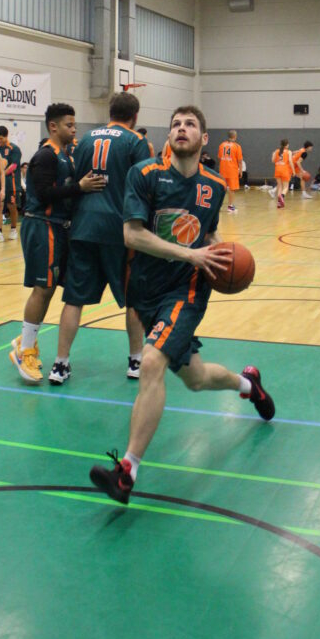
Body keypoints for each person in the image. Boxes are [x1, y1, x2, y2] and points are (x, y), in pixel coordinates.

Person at [89, 105, 275, 505]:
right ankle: (249, 384)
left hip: (186, 292)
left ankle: (127, 471)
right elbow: (132, 235)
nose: (181, 129)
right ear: (169, 136)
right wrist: (191, 252)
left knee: (151, 362)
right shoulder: (145, 175)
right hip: (145, 291)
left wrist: (221, 256)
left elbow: (208, 234)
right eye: (175, 124)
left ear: (204, 138)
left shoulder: (214, 185)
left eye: (190, 124)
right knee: (196, 378)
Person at [49, 92, 151, 385]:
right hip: (120, 229)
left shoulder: (84, 139)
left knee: (73, 299)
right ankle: (135, 361)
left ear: (110, 111)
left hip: (83, 226)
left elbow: (74, 181)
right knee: (133, 299)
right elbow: (145, 185)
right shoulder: (136, 141)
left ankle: (60, 364)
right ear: (135, 116)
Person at [9, 104, 106, 384]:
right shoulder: (45, 156)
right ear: (53, 126)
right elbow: (43, 193)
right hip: (42, 225)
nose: (74, 130)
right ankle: (25, 350)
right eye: (69, 125)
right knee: (42, 289)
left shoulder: (66, 155)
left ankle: (26, 339)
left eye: (74, 125)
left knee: (50, 287)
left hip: (58, 227)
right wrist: (80, 187)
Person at [0, 126, 22, 242]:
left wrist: (2, 174)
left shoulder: (14, 149)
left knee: (12, 206)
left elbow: (14, 166)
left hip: (12, 183)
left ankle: (13, 229)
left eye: (1, 138)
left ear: (6, 136)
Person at [217, 129, 243, 214]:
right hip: (232, 170)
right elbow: (240, 161)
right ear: (235, 136)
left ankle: (218, 206)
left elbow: (219, 158)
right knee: (232, 189)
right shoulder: (237, 146)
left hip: (222, 170)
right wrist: (240, 171)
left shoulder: (221, 145)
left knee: (222, 189)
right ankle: (230, 207)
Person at [270, 139, 293, 208]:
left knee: (279, 186)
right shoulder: (289, 152)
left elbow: (273, 161)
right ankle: (282, 197)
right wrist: (293, 170)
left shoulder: (276, 151)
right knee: (286, 187)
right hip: (284, 170)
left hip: (277, 169)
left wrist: (273, 155)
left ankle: (279, 203)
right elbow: (290, 161)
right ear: (287, 145)